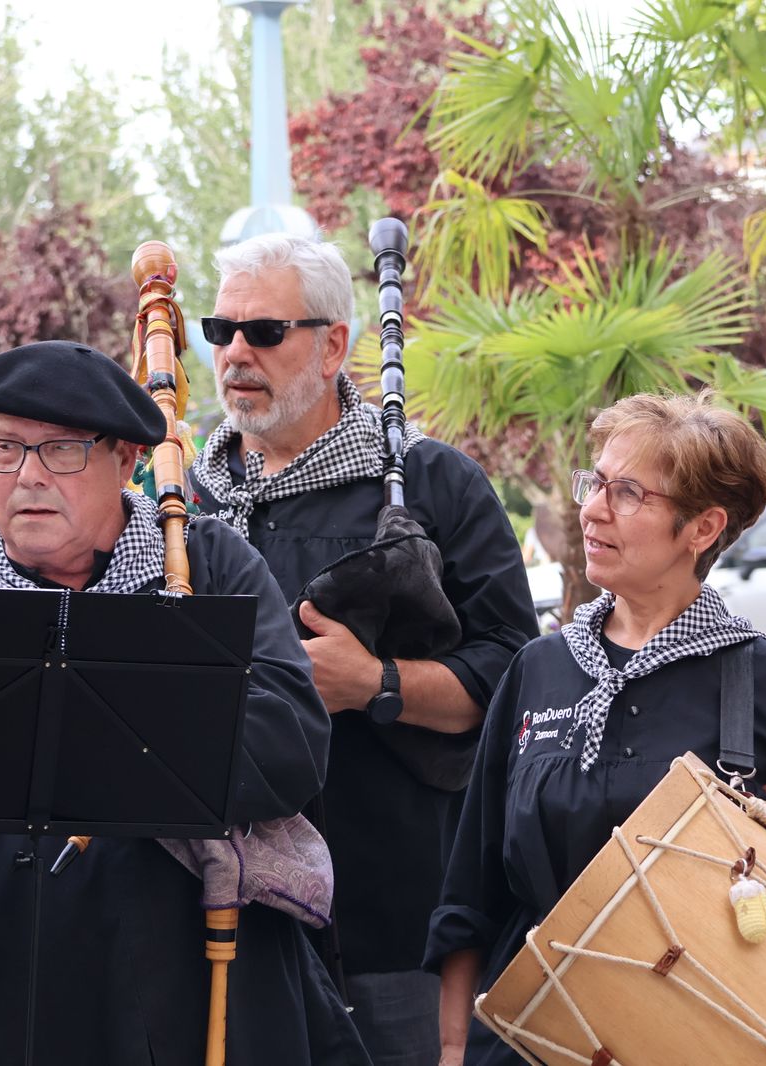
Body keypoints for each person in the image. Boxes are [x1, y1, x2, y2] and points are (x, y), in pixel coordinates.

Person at [0, 340, 368, 1066]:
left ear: (129, 458)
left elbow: (292, 744)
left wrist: (81, 720)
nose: (27, 477)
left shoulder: (203, 569)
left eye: (62, 450)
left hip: (187, 1002)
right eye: (4, 448)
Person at [426, 392, 766, 1066]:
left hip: (712, 1037)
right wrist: (453, 1051)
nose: (592, 508)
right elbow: (470, 894)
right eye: (595, 482)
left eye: (627, 493)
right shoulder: (539, 669)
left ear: (702, 528)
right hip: (535, 1041)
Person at [189, 233, 538, 1064]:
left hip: (391, 922)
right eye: (220, 330)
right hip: (217, 914)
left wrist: (377, 683)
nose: (236, 351)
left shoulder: (433, 486)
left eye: (264, 332)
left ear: (333, 343)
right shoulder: (183, 501)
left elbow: (515, 678)